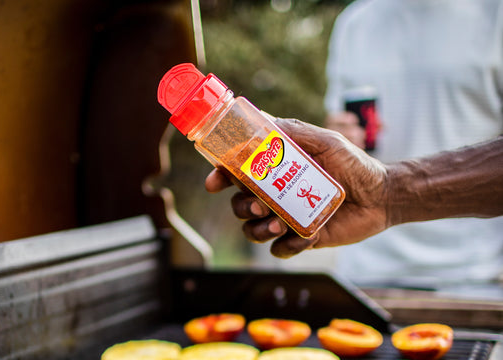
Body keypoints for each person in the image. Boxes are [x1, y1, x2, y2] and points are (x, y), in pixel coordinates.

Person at [321, 0, 503, 290]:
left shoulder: (497, 8)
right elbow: (343, 139)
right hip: (365, 273)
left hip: (472, 281)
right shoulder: (355, 22)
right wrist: (339, 137)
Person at [204, 120, 503, 252]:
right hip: (362, 268)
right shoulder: (352, 24)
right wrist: (384, 195)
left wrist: (390, 191)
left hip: (470, 271)